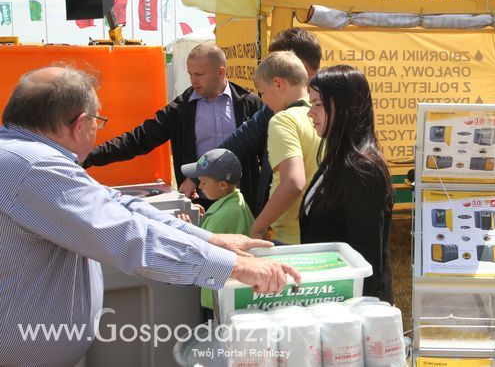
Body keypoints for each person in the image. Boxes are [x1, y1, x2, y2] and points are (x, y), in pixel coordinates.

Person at [0, 66, 300, 367]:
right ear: (81, 124)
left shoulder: (29, 157)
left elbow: (118, 204)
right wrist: (236, 266)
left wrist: (209, 239)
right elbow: (125, 235)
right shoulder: (33, 167)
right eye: (99, 122)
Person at [82, 43, 263, 211]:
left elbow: (266, 156)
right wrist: (89, 157)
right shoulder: (180, 109)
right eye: (190, 74)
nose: (193, 80)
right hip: (200, 204)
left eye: (199, 74)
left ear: (221, 72)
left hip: (244, 205)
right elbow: (138, 139)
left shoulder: (249, 103)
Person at [301, 65, 394, 303]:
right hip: (330, 302)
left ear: (345, 108)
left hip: (350, 311)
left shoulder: (361, 169)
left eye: (318, 104)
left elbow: (367, 261)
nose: (311, 113)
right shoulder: (337, 160)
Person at [216, 28, 323, 216]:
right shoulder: (276, 107)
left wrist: (260, 224)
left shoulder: (331, 102)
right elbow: (240, 140)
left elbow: (293, 182)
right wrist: (203, 168)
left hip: (305, 223)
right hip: (283, 222)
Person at [250, 51, 321, 243]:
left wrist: (258, 226)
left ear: (278, 83)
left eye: (263, 93)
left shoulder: (283, 120)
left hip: (290, 238)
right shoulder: (319, 114)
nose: (264, 100)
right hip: (319, 229)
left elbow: (293, 182)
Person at [181, 148, 254, 321]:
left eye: (204, 183)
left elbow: (203, 253)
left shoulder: (224, 215)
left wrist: (187, 230)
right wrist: (204, 220)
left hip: (216, 300)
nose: (199, 187)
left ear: (222, 185)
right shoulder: (234, 204)